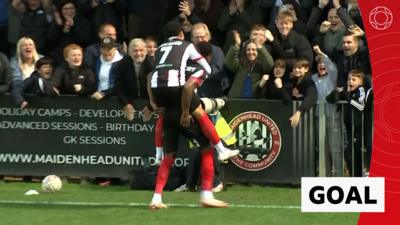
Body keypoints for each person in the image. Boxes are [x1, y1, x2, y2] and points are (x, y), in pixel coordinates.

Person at [148, 21, 232, 209]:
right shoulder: (189, 52)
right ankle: (207, 193)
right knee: (206, 148)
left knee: (169, 156)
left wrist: (153, 102)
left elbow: (150, 76)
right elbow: (195, 79)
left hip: (162, 98)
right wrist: (186, 112)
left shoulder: (160, 50)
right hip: (179, 98)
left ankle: (156, 197)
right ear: (181, 34)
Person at [326, 70, 367, 177]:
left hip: (361, 129)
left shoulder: (362, 91)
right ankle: (355, 178)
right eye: (349, 79)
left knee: (359, 155)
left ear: (360, 82)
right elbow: (329, 99)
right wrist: (334, 93)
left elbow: (360, 106)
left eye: (354, 79)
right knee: (349, 154)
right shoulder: (345, 90)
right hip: (349, 129)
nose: (350, 81)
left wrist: (347, 95)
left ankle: (362, 177)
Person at [311, 45, 342, 176]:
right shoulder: (313, 78)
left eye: (324, 63)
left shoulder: (332, 76)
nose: (322, 65)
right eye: (319, 63)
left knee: (335, 149)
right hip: (318, 117)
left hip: (332, 117)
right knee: (322, 149)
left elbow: (332, 66)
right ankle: (326, 177)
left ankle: (340, 177)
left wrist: (320, 52)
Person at [114, 38, 154, 121]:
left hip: (149, 103)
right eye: (135, 51)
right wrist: (126, 104)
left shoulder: (153, 64)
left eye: (141, 50)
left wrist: (151, 106)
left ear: (146, 51)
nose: (139, 53)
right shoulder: (122, 64)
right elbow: (118, 87)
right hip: (130, 102)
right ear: (129, 53)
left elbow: (159, 88)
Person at [224, 30, 274, 99]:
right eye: (248, 50)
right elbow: (228, 63)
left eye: (254, 50)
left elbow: (269, 65)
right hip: (236, 98)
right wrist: (236, 45)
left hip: (255, 99)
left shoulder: (262, 64)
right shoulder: (241, 63)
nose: (251, 52)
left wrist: (259, 47)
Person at [288, 57, 317, 127]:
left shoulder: (309, 82)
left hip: (305, 117)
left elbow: (312, 96)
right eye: (294, 68)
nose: (297, 70)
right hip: (291, 115)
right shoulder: (292, 81)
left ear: (306, 69)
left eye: (300, 68)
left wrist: (299, 111)